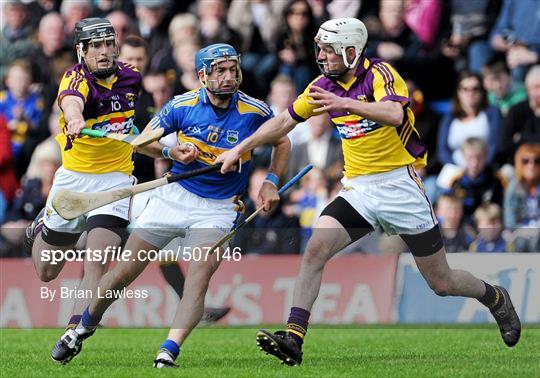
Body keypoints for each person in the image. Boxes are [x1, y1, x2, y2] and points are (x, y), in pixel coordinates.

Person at [216, 17, 521, 366]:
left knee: (442, 281)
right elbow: (284, 121)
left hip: (399, 187)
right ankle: (294, 337)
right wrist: (240, 149)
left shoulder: (380, 74)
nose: (321, 56)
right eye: (319, 49)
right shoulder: (322, 85)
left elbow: (393, 112)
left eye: (328, 50)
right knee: (316, 248)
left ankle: (495, 298)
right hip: (359, 190)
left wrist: (345, 104)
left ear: (350, 51)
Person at [50, 43, 291, 367]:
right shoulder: (182, 106)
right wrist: (172, 152)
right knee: (123, 272)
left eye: (233, 69)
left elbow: (282, 139)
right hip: (174, 197)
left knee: (199, 277)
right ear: (202, 75)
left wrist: (271, 181)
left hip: (218, 207)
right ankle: (81, 329)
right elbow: (142, 141)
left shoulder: (255, 111)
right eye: (220, 70)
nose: (228, 77)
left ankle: (168, 351)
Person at [21, 17, 142, 358]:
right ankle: (45, 224)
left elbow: (134, 129)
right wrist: (74, 117)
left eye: (109, 44)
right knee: (47, 271)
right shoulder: (75, 77)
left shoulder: (132, 77)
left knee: (99, 256)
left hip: (117, 178)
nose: (105, 52)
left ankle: (74, 332)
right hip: (74, 179)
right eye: (96, 46)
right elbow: (71, 100)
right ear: (81, 50)